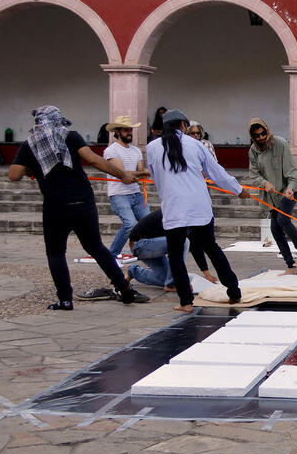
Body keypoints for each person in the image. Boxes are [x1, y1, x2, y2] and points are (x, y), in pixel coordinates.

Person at [8, 105, 147, 310]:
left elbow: (13, 175)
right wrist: (123, 175)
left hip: (55, 205)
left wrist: (33, 166)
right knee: (96, 247)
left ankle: (65, 299)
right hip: (82, 200)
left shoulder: (30, 144)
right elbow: (94, 160)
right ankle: (123, 286)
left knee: (55, 253)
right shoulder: (71, 136)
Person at [147, 109, 248, 312]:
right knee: (211, 247)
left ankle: (186, 302)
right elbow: (215, 172)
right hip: (198, 205)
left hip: (173, 206)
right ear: (183, 125)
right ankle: (234, 292)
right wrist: (238, 190)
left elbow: (155, 177)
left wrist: (168, 193)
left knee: (175, 255)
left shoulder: (152, 147)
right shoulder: (195, 145)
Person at [78, 208, 218, 297]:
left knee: (161, 278)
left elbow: (196, 247)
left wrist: (207, 274)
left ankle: (133, 271)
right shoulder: (178, 214)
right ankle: (171, 283)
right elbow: (181, 246)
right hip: (141, 244)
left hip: (155, 246)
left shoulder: (191, 220)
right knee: (182, 242)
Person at [248, 117, 297, 275]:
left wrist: (290, 188)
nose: (261, 137)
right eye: (257, 135)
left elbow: (292, 171)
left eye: (263, 133)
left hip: (290, 188)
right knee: (275, 229)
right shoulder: (253, 151)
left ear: (267, 130)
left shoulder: (280, 143)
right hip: (272, 194)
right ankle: (291, 266)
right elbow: (254, 175)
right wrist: (264, 183)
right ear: (252, 137)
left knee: (283, 219)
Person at [103, 115, 150, 259]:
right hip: (119, 194)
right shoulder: (111, 150)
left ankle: (146, 253)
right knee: (130, 224)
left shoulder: (136, 150)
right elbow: (122, 174)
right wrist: (143, 172)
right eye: (126, 130)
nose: (129, 132)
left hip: (136, 193)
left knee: (147, 225)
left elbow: (139, 174)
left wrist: (141, 173)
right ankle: (112, 255)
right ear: (117, 131)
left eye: (130, 129)